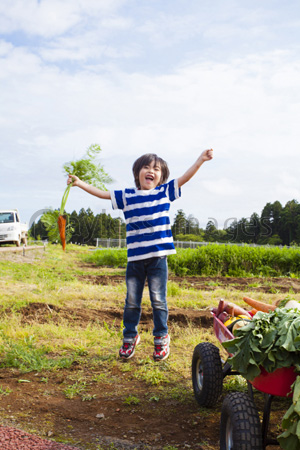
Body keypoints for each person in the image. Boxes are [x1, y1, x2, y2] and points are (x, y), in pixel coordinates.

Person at [67, 149, 213, 361]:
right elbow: (102, 193)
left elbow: (184, 178)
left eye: (156, 169)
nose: (150, 171)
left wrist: (200, 160)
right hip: (135, 260)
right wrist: (80, 183)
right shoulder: (127, 196)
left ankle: (161, 338)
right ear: (137, 173)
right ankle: (130, 337)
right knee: (132, 301)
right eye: (146, 167)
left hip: (157, 259)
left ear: (162, 177)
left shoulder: (164, 192)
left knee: (158, 301)